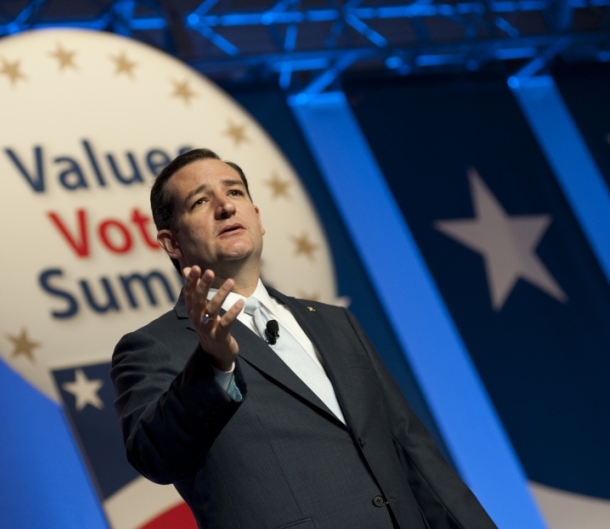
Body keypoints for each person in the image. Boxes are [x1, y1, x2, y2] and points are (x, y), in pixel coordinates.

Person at [110, 148, 496, 529]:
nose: (225, 207)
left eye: (235, 192)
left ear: (258, 218)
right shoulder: (153, 346)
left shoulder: (336, 324)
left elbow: (413, 451)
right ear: (171, 243)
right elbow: (155, 455)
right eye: (200, 201)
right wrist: (213, 363)